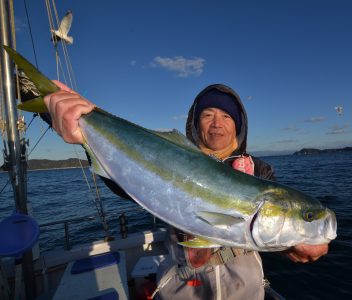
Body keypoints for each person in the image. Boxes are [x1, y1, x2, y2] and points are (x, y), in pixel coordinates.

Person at [43, 81, 329, 299]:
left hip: (244, 289)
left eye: (227, 117)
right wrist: (76, 122)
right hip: (182, 286)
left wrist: (295, 242)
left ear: (238, 127)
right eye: (208, 114)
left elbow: (266, 229)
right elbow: (125, 178)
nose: (217, 123)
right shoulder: (167, 159)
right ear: (195, 123)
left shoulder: (260, 172)